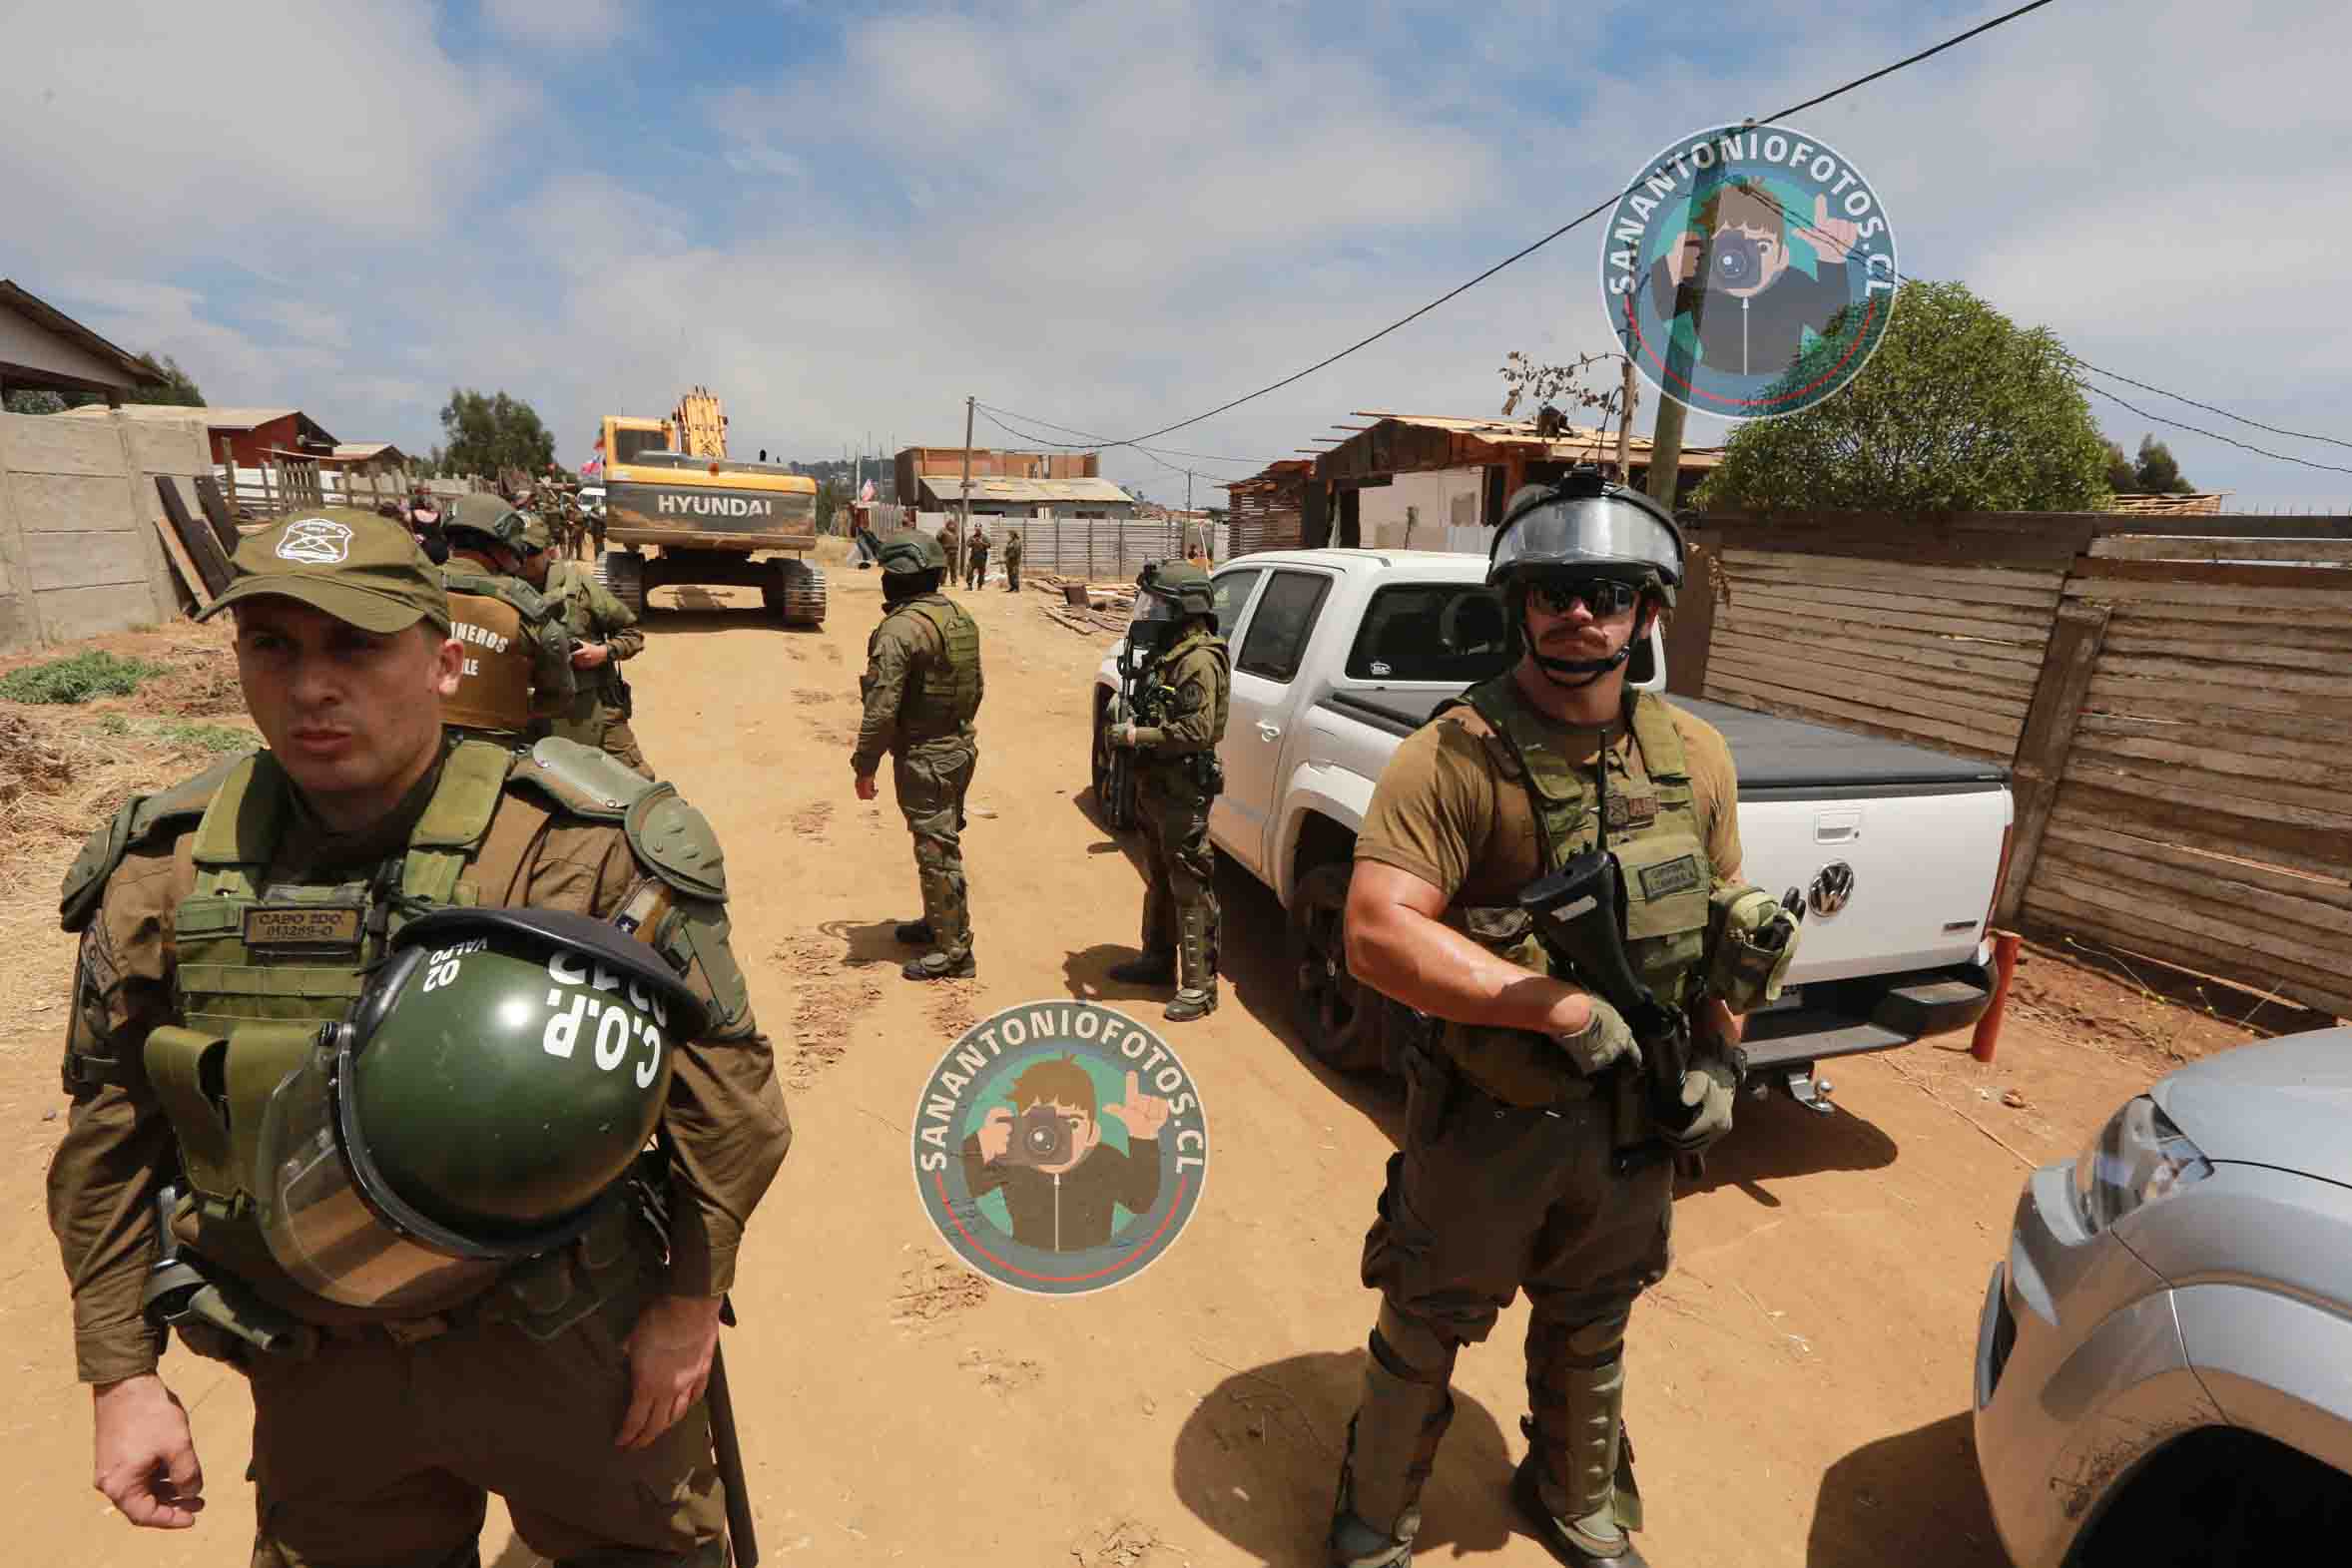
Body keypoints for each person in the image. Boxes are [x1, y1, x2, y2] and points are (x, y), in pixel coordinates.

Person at [45, 509, 793, 1566]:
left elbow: (730, 1106)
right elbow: (111, 1133)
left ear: (443, 664)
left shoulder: (581, 850)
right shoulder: (162, 867)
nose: (311, 686)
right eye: (273, 645)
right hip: (317, 1368)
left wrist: (687, 1303)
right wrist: (121, 1371)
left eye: (355, 645)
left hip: (566, 1342)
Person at [1324, 468, 1797, 1568]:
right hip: (1489, 1120)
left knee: (1594, 1322)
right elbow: (1377, 931)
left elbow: (1719, 926)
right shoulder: (1456, 755)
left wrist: (1723, 1059)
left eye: (1608, 592)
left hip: (1631, 1127)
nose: (1580, 612)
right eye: (1554, 591)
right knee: (1425, 1322)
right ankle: (1375, 1517)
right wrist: (1555, 1004)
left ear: (1648, 611)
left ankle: (1574, 1497)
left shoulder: (1693, 756)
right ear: (1521, 605)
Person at [852, 530, 983, 980]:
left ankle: (955, 952)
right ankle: (938, 922)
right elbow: (975, 686)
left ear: (898, 578)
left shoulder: (900, 629)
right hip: (957, 747)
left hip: (926, 755)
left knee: (937, 850)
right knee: (937, 843)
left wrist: (865, 764)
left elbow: (881, 706)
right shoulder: (957, 616)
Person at [1102, 561, 1230, 1022]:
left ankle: (1200, 987)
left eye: (1159, 605)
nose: (1150, 613)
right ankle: (1157, 961)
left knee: (1189, 884)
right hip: (1157, 783)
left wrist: (1136, 736)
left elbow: (1197, 730)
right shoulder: (1171, 653)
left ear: (1183, 609)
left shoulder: (1198, 660)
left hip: (1181, 786)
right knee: (1159, 875)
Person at [1649, 178, 1865, 380]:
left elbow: (1833, 327)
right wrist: (1670, 266)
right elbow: (1651, 313)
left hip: (1783, 390)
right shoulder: (1702, 285)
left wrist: (1831, 259)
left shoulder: (1792, 283)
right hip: (1715, 389)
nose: (1746, 257)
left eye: (1762, 246)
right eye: (1732, 243)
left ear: (1782, 256)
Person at [959, 1059, 1169, 1253]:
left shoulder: (1105, 1160)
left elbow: (1141, 1201)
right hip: (1026, 1268)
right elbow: (960, 1191)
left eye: (1073, 1123)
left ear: (1092, 1133)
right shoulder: (1012, 1157)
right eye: (1041, 1121)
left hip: (1091, 1267)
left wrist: (1143, 1135)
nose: (1056, 1135)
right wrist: (981, 1145)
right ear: (1020, 1125)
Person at [520, 515, 655, 780]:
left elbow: (632, 634)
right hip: (530, 713)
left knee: (638, 782)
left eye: (530, 552)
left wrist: (602, 653)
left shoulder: (578, 586)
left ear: (550, 551)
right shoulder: (501, 588)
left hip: (595, 709)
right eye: (515, 551)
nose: (522, 560)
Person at [438, 495, 577, 750]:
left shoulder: (414, 589)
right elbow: (558, 696)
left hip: (413, 746)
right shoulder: (525, 606)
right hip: (494, 751)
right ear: (503, 545)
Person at [964, 520, 990, 590]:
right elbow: (967, 544)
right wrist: (972, 542)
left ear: (981, 529)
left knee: (981, 572)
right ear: (975, 529)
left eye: (979, 529)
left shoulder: (984, 537)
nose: (977, 530)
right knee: (969, 570)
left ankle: (979, 586)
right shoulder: (972, 537)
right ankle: (969, 585)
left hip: (982, 557)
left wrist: (982, 543)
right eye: (976, 529)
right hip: (973, 557)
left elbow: (989, 545)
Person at [1001, 526, 1023, 593]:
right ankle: (1012, 587)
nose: (1009, 535)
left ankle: (1016, 588)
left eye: (1010, 533)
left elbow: (1016, 551)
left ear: (1014, 534)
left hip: (1014, 561)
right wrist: (1005, 554)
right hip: (1009, 561)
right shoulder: (1010, 541)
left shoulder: (1017, 541)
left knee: (1014, 574)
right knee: (1010, 574)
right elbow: (1007, 549)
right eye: (1009, 534)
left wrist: (1009, 556)